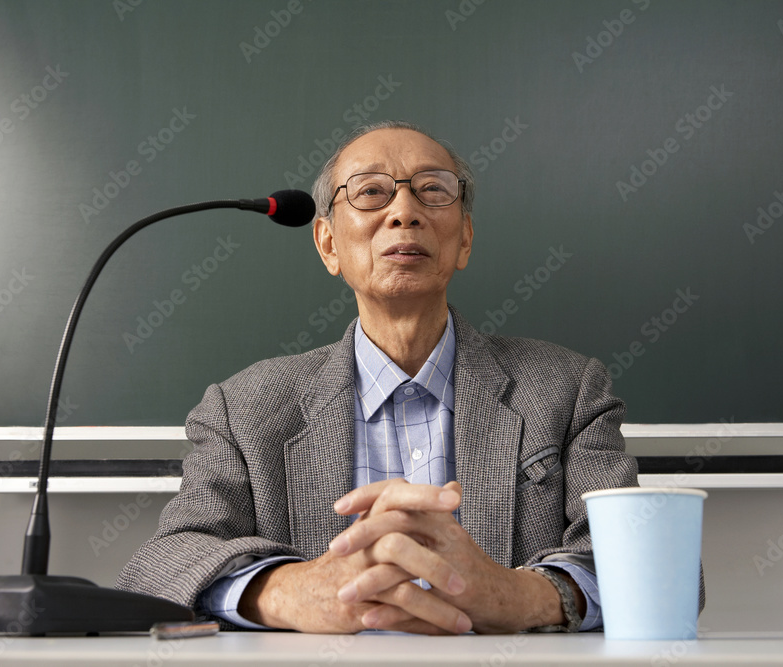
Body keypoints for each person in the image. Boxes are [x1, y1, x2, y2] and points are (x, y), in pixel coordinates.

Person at [118, 120, 659, 634]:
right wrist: (291, 591)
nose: (405, 211)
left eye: (432, 190)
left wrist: (511, 595)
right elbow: (163, 562)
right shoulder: (244, 407)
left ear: (464, 239)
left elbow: (649, 567)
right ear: (328, 243)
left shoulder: (567, 389)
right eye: (372, 192)